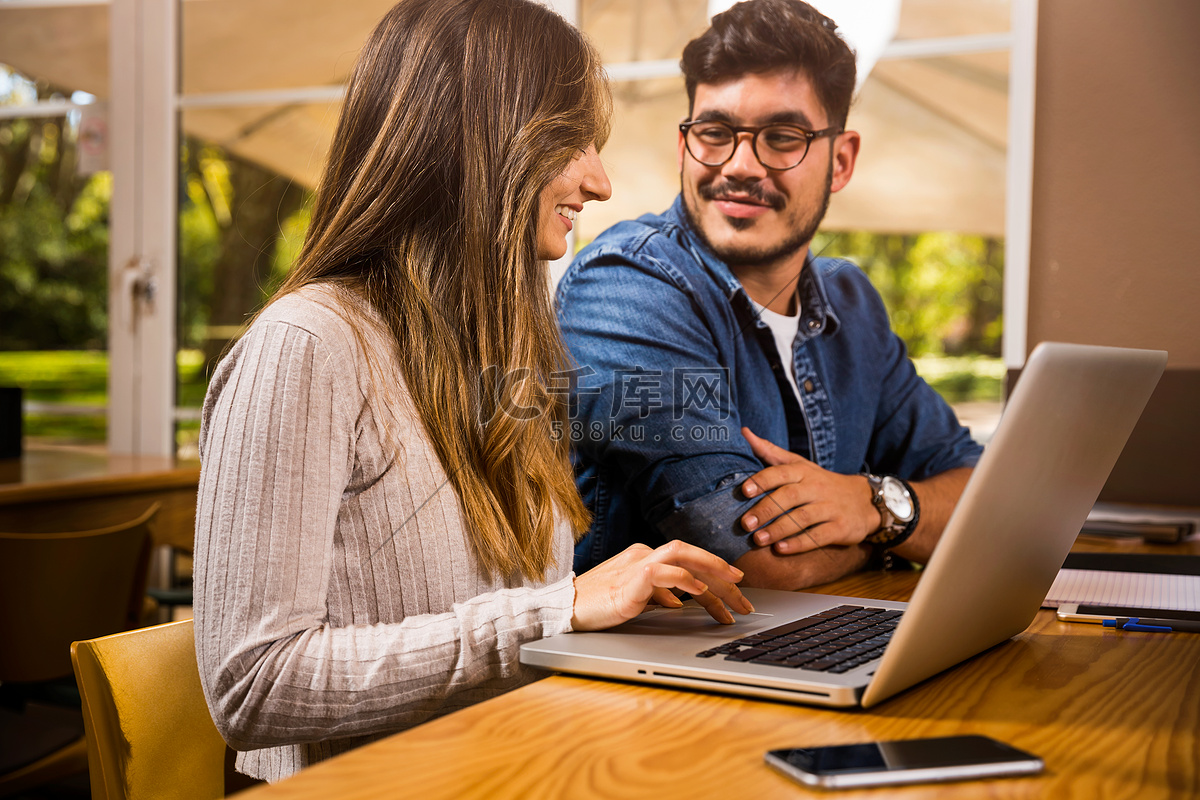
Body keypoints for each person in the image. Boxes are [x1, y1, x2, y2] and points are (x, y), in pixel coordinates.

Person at [192, 0, 751, 782]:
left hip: (517, 768)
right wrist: (556, 611)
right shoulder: (307, 347)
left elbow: (512, 630)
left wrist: (606, 614)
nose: (599, 182)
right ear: (480, 143)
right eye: (573, 142)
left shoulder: (508, 355)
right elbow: (254, 685)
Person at [557, 0, 984, 591]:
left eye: (782, 138)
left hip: (825, 633)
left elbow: (985, 497)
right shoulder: (625, 287)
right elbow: (756, 565)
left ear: (841, 161)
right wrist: (886, 527)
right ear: (684, 147)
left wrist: (866, 503)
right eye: (715, 133)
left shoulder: (851, 304)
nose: (740, 165)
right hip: (668, 651)